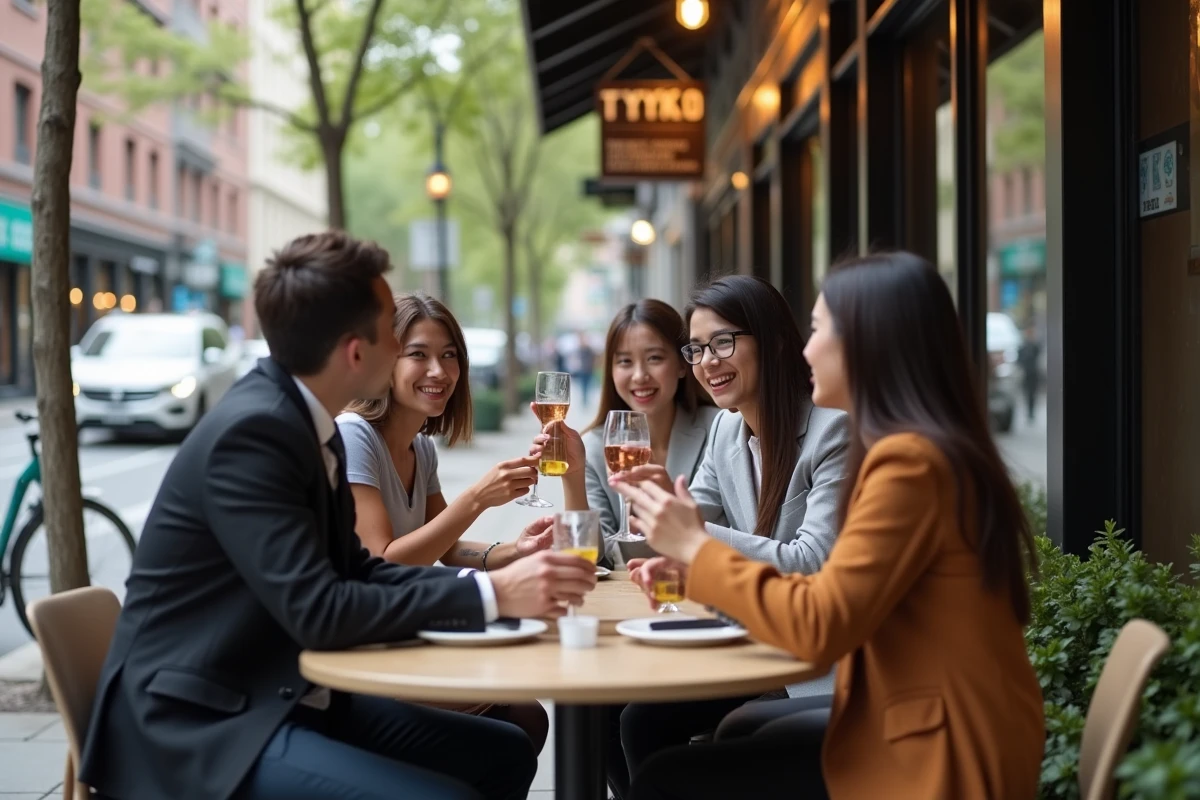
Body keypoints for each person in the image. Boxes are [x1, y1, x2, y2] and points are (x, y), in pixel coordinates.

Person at [78, 231, 598, 800]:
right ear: (358, 351)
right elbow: (321, 610)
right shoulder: (255, 434)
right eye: (391, 336)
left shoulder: (303, 423)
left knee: (505, 749)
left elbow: (361, 570)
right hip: (204, 723)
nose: (409, 354)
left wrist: (499, 581)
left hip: (285, 694)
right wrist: (493, 596)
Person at [616, 251, 1045, 800]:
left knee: (667, 777)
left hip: (940, 750)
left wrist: (696, 548)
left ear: (870, 341)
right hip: (917, 717)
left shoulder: (910, 465)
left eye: (818, 329)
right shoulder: (918, 449)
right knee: (678, 730)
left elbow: (819, 624)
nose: (806, 347)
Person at [604, 276, 850, 792]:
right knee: (626, 716)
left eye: (723, 342)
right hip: (750, 639)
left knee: (653, 733)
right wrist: (651, 512)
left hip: (813, 661)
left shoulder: (834, 432)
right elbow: (686, 528)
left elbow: (813, 561)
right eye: (696, 348)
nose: (707, 361)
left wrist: (688, 531)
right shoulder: (726, 428)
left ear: (776, 340)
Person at [337, 290, 549, 753]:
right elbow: (385, 565)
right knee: (520, 722)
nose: (439, 371)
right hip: (359, 653)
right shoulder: (353, 437)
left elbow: (446, 549)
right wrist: (476, 498)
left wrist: (516, 551)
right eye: (419, 354)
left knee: (527, 714)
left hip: (402, 632)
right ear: (386, 360)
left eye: (450, 355)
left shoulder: (421, 447)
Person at [532, 300, 719, 568]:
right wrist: (572, 476)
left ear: (681, 364)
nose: (640, 375)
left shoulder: (719, 430)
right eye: (625, 362)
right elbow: (576, 555)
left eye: (654, 358)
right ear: (610, 370)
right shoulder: (594, 447)